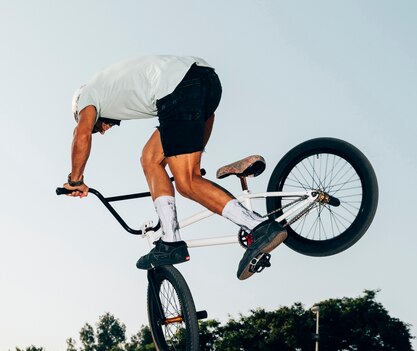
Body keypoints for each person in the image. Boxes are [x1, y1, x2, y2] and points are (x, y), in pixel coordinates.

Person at [64, 54, 287, 280]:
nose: (101, 131)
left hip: (178, 90)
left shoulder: (88, 95)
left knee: (186, 183)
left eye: (97, 127)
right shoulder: (110, 84)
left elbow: (80, 135)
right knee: (150, 158)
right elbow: (205, 117)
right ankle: (172, 239)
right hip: (206, 81)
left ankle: (258, 227)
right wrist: (194, 158)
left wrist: (76, 180)